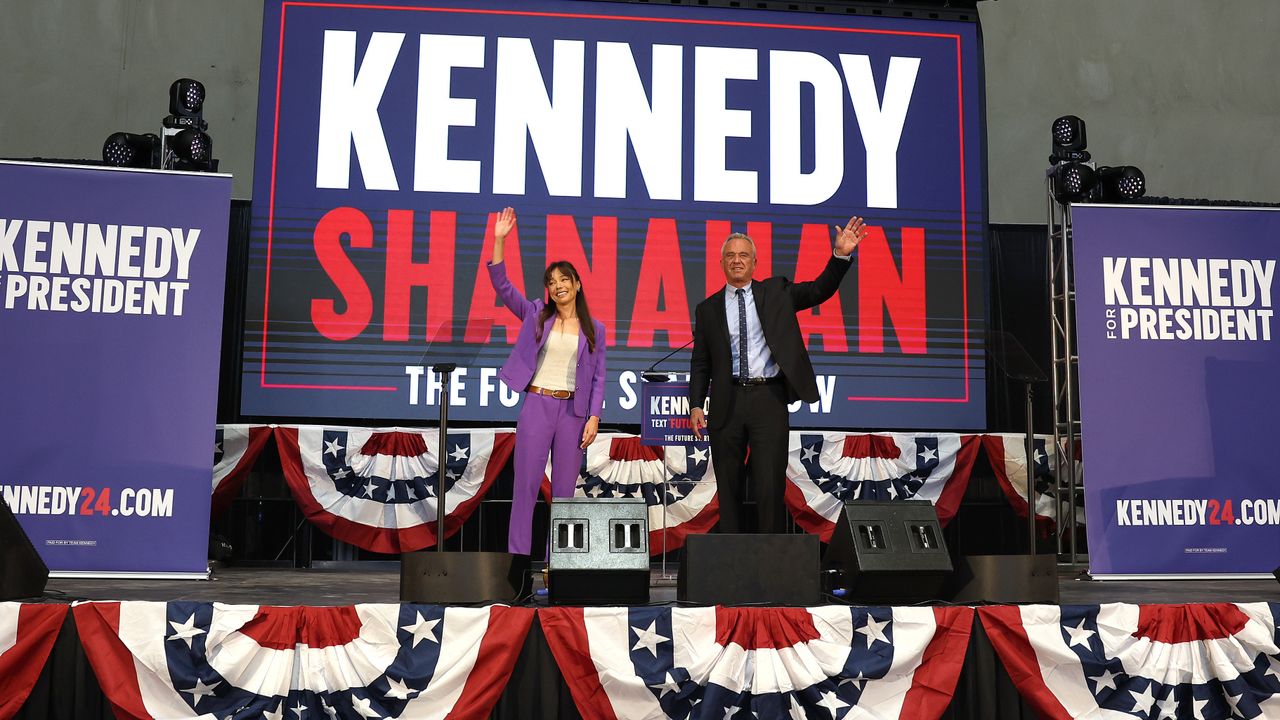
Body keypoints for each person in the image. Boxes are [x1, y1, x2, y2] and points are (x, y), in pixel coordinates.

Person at [689, 217, 867, 533]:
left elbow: (818, 290)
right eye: (730, 256)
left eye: (743, 255)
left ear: (755, 262)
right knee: (727, 488)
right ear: (721, 263)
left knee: (770, 485)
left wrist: (840, 256)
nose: (737, 261)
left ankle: (769, 560)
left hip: (767, 399)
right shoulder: (707, 309)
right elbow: (701, 361)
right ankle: (731, 562)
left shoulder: (777, 291)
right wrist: (696, 404)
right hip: (726, 400)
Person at [488, 207, 606, 556]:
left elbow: (599, 376)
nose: (557, 287)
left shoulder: (594, 329)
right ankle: (518, 567)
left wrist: (594, 417)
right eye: (552, 282)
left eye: (563, 280)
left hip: (573, 413)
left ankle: (563, 566)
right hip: (537, 406)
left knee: (566, 494)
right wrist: (499, 240)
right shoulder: (536, 314)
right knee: (525, 487)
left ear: (577, 284)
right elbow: (502, 286)